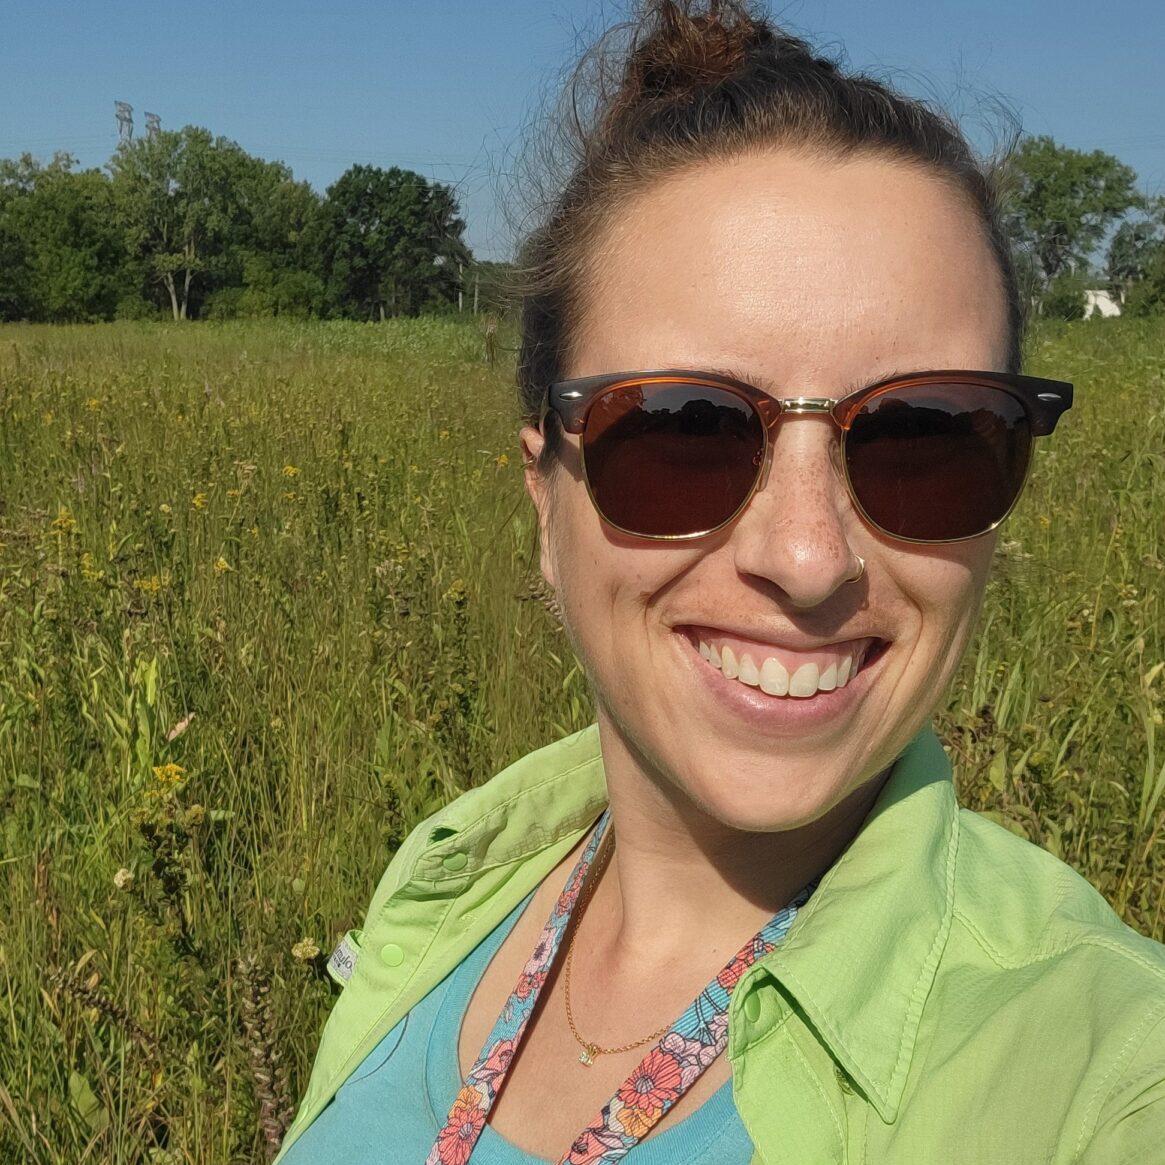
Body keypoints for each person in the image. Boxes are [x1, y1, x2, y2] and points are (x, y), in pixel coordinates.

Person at [276, 4, 1165, 1162]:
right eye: (683, 431)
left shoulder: (1102, 1078)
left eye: (926, 436)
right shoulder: (453, 887)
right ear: (545, 498)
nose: (806, 558)